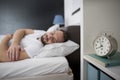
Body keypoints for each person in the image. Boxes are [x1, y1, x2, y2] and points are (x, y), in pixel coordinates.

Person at [0, 29, 68, 62]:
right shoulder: (42, 32)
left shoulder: (36, 48)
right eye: (52, 33)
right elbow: (22, 30)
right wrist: (15, 42)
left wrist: (7, 38)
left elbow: (2, 57)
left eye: (53, 39)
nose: (49, 36)